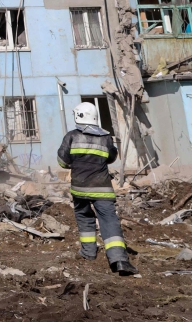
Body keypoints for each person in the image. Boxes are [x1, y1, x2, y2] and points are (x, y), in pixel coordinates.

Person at [57, 103, 138, 276]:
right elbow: (111, 158)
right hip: (102, 188)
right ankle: (119, 260)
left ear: (78, 116)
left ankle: (88, 253)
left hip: (79, 188)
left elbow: (62, 161)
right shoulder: (106, 138)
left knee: (85, 218)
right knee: (109, 221)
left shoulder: (71, 136)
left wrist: (77, 162)